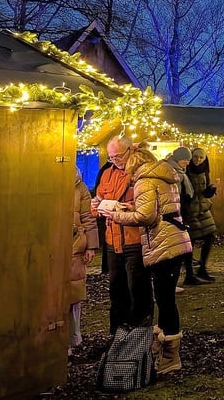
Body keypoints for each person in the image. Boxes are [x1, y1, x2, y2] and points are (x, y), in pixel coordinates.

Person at [103, 147, 193, 375]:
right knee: (165, 298)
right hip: (173, 240)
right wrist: (130, 207)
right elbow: (158, 208)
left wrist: (116, 215)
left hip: (163, 244)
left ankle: (171, 356)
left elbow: (147, 216)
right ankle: (164, 350)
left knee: (165, 301)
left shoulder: (144, 180)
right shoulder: (163, 176)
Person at [91, 135, 153, 335]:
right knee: (116, 291)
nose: (115, 160)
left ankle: (139, 338)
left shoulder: (141, 172)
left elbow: (149, 206)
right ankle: (117, 336)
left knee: (138, 290)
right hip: (113, 241)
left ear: (130, 150)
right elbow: (96, 205)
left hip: (134, 240)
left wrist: (124, 208)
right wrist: (97, 205)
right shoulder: (107, 174)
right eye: (111, 157)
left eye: (118, 156)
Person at [69, 170, 99, 356]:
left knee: (74, 291)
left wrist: (91, 246)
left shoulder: (79, 186)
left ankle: (72, 339)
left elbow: (88, 217)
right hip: (52, 245)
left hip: (75, 244)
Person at [183, 148, 218, 282]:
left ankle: (202, 268)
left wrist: (211, 190)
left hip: (203, 208)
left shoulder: (204, 171)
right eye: (195, 157)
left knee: (210, 236)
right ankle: (189, 274)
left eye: (201, 158)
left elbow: (204, 192)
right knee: (189, 241)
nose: (198, 160)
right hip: (190, 210)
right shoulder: (186, 170)